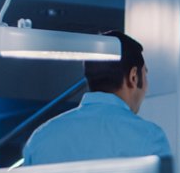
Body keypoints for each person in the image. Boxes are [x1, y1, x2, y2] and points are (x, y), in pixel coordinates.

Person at [22, 30, 170, 165]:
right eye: (145, 74)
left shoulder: (41, 137)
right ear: (133, 77)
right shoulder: (149, 137)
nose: (147, 87)